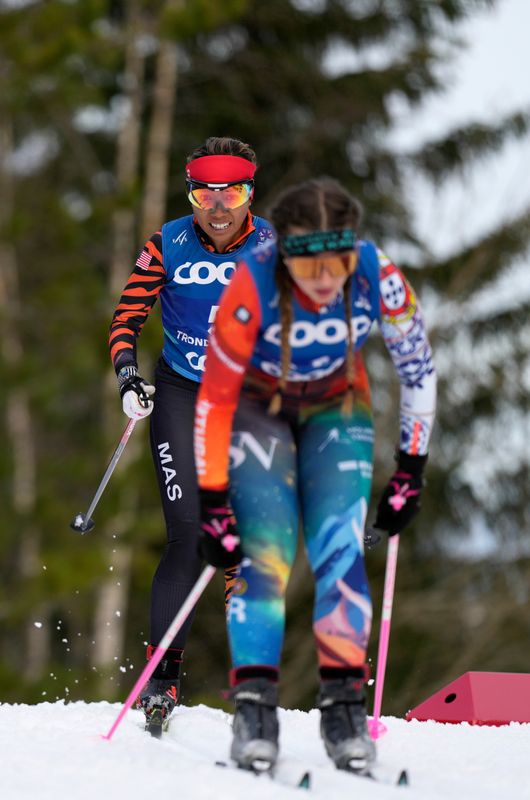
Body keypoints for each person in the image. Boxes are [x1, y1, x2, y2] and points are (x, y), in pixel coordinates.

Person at [193, 177, 436, 771]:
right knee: (263, 556)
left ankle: (344, 708)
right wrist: (212, 499)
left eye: (338, 262)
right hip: (258, 411)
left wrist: (411, 468)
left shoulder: (377, 274)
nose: (326, 278)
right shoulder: (251, 281)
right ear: (284, 255)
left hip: (337, 408)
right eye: (308, 265)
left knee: (340, 551)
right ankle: (254, 708)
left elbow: (418, 369)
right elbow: (214, 400)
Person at [108, 136, 272, 735]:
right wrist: (128, 376)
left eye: (233, 193)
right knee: (189, 535)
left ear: (250, 194)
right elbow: (127, 318)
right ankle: (162, 680)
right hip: (181, 394)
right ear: (191, 195)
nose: (219, 208)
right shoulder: (168, 243)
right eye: (206, 195)